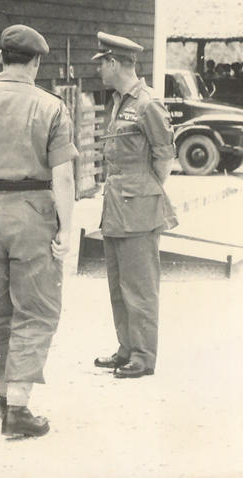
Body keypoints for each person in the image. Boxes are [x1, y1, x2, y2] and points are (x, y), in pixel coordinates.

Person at [0, 24, 76, 438]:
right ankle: (19, 409)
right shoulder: (52, 107)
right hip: (33, 213)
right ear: (36, 62)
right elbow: (64, 178)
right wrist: (66, 228)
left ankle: (2, 394)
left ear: (0, 58)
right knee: (36, 309)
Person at [91, 31, 177, 379]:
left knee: (140, 287)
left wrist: (144, 190)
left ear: (115, 62)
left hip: (139, 208)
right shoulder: (120, 102)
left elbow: (164, 157)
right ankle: (126, 348)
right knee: (118, 284)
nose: (99, 71)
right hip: (116, 205)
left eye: (102, 64)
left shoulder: (147, 103)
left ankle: (143, 355)